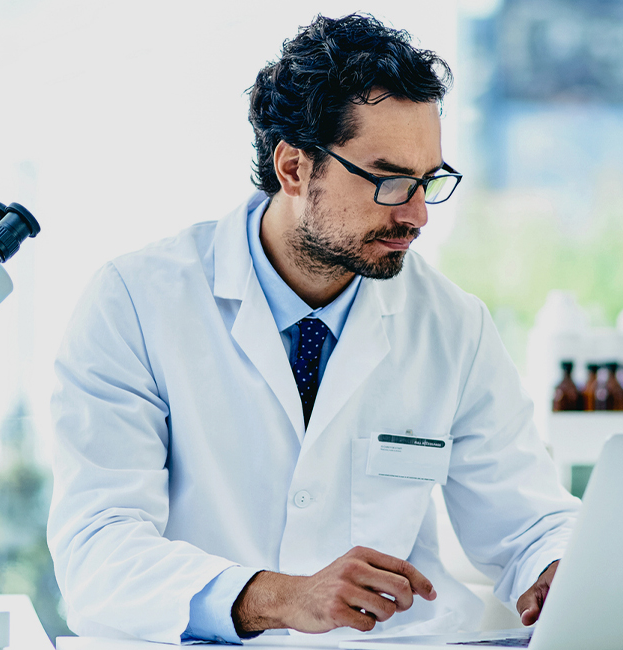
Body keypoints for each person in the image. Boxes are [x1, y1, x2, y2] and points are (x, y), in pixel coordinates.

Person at [47, 13, 577, 643]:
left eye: (428, 181)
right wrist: (279, 597)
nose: (416, 215)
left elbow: (526, 518)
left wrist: (556, 566)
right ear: (295, 168)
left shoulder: (452, 324)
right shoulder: (136, 302)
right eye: (388, 181)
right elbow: (97, 552)